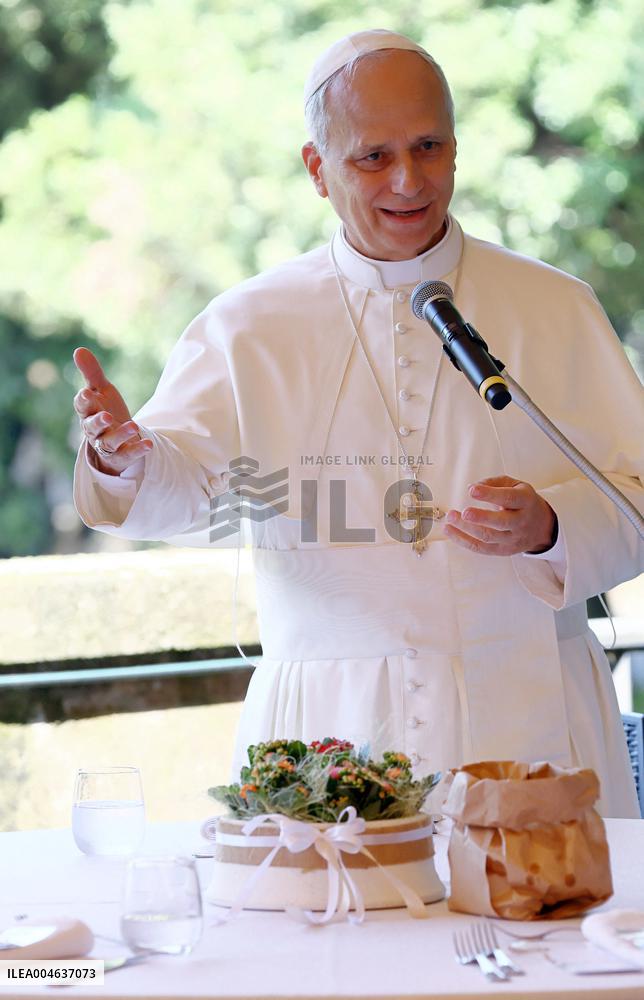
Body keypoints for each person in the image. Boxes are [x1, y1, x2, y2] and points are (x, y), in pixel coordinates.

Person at [73, 29, 644, 817]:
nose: (408, 179)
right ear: (317, 169)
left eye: (429, 146)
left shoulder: (556, 306)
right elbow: (196, 493)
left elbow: (637, 499)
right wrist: (123, 459)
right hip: (329, 728)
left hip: (535, 714)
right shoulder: (247, 325)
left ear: (456, 149)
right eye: (372, 156)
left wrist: (553, 524)